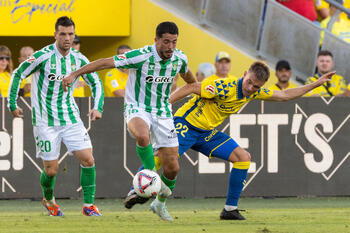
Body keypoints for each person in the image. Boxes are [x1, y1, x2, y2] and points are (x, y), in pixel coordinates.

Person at [125, 61, 335, 220]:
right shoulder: (223, 87)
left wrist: (315, 84)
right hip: (185, 124)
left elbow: (285, 94)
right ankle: (137, 189)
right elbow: (191, 87)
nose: (250, 87)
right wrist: (163, 105)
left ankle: (229, 210)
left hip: (207, 133)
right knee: (162, 160)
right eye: (249, 82)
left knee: (243, 158)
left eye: (256, 86)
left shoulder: (254, 93)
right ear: (244, 75)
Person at [62, 21, 197, 221]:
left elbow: (191, 82)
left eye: (174, 42)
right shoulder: (141, 56)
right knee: (142, 136)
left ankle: (159, 204)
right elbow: (105, 62)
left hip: (163, 112)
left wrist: (185, 94)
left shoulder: (180, 58)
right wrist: (75, 73)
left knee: (173, 168)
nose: (170, 47)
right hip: (138, 108)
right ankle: (149, 174)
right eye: (166, 42)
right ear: (156, 40)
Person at [7, 16, 104, 217]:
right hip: (45, 121)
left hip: (70, 118)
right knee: (51, 170)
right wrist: (12, 103)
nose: (67, 38)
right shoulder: (43, 56)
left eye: (71, 34)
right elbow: (18, 74)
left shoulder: (79, 59)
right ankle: (49, 199)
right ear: (55, 35)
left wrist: (97, 107)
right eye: (63, 34)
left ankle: (89, 206)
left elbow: (95, 82)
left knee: (88, 159)